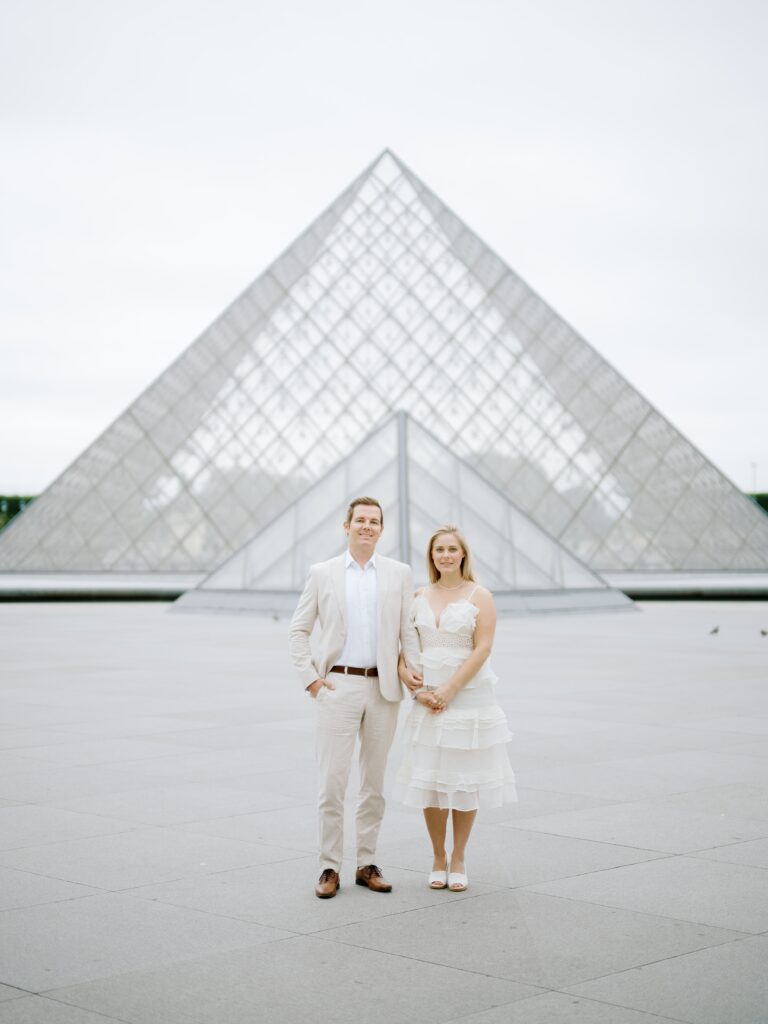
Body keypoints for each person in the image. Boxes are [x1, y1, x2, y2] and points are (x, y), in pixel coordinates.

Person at [289, 496, 422, 899]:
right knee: (332, 783)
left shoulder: (399, 574)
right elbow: (298, 630)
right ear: (345, 526)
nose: (367, 526)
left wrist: (417, 682)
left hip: (383, 689)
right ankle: (329, 866)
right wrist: (311, 679)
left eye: (374, 521)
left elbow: (407, 633)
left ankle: (367, 863)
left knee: (374, 785)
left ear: (382, 529)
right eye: (360, 520)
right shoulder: (322, 573)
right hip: (338, 686)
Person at [396, 525, 516, 892]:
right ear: (431, 556)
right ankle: (437, 856)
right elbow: (404, 648)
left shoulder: (480, 596)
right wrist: (407, 680)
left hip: (466, 698)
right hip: (426, 699)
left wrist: (448, 690)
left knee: (464, 782)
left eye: (452, 549)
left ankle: (459, 856)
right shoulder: (417, 595)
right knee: (431, 781)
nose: (445, 555)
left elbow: (482, 649)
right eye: (438, 550)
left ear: (463, 554)